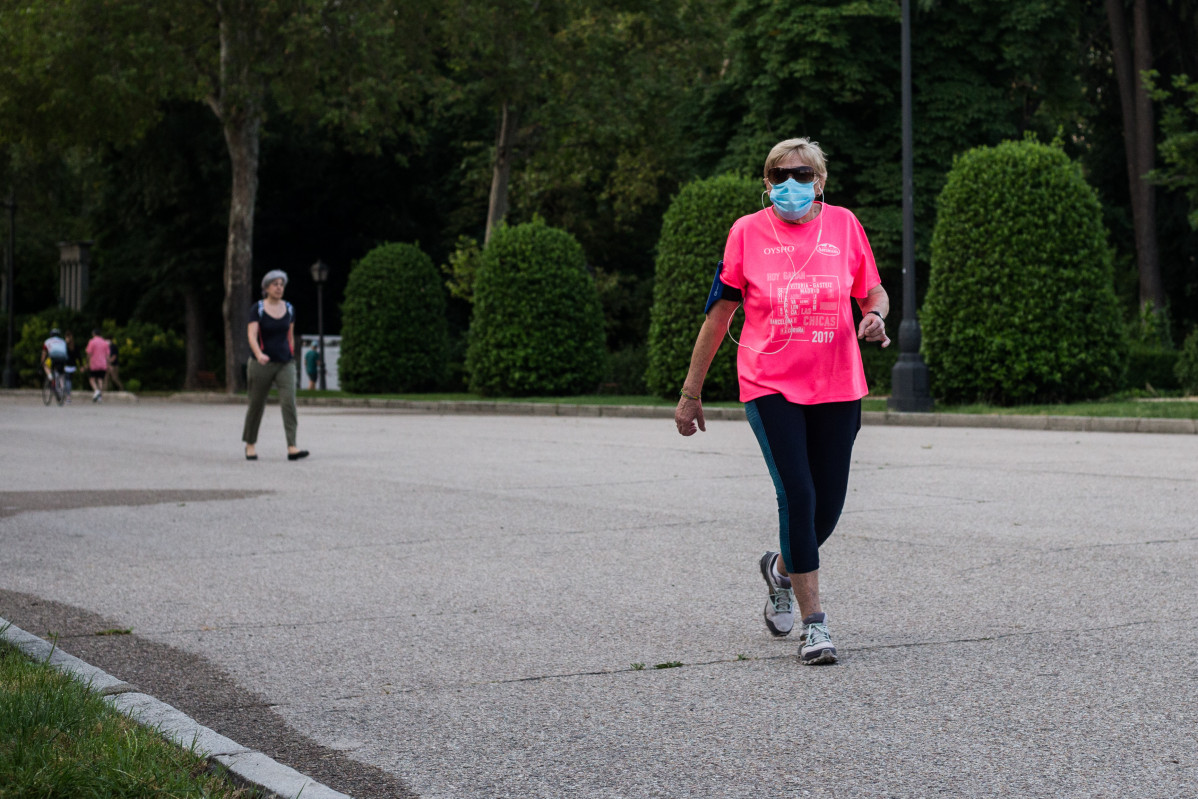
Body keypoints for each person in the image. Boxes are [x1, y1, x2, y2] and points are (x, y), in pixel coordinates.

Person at [674, 137, 890, 665]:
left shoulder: (844, 225)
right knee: (797, 492)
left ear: (819, 181)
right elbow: (719, 317)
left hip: (839, 382)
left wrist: (877, 315)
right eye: (777, 175)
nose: (787, 184)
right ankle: (815, 627)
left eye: (798, 174)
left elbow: (873, 290)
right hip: (770, 383)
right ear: (766, 182)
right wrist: (690, 392)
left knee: (829, 505)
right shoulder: (746, 232)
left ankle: (780, 570)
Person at [242, 270, 309, 461]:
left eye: (281, 284)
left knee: (289, 403)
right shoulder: (258, 309)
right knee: (256, 404)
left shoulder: (289, 308)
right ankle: (250, 444)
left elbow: (290, 336)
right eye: (275, 284)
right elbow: (251, 336)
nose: (279, 287)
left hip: (285, 363)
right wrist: (258, 354)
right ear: (266, 288)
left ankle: (292, 447)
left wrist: (292, 356)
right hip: (261, 364)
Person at [41, 329, 68, 397]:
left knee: (46, 365)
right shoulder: (63, 341)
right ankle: (62, 387)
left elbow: (44, 352)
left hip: (53, 357)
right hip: (63, 358)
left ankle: (50, 377)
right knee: (61, 373)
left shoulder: (47, 341)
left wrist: (42, 361)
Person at [85, 329, 109, 403]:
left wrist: (86, 363)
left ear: (94, 334)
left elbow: (89, 353)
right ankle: (99, 397)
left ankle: (96, 391)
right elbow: (107, 355)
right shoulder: (105, 342)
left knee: (91, 379)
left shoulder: (92, 342)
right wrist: (108, 364)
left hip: (94, 363)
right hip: (103, 364)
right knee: (100, 380)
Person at [62, 331, 81, 403]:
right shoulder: (75, 346)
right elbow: (79, 357)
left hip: (66, 366)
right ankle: (68, 395)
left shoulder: (64, 346)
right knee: (69, 381)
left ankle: (68, 396)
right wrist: (81, 365)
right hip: (73, 366)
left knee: (67, 381)